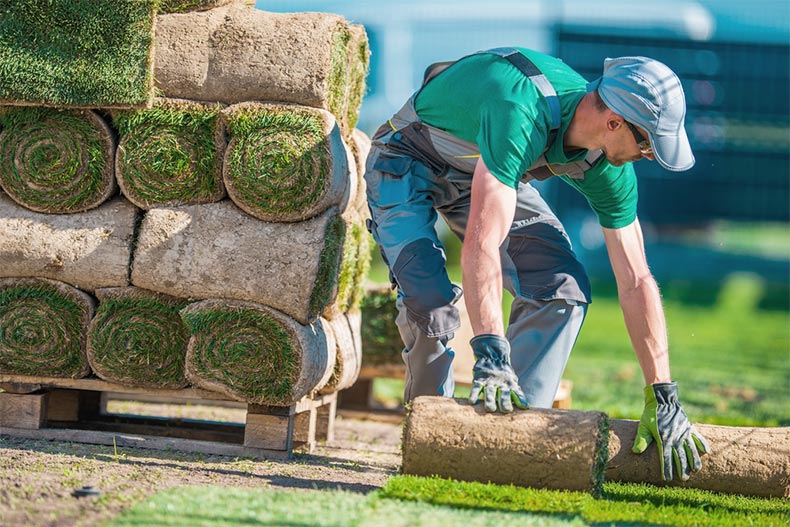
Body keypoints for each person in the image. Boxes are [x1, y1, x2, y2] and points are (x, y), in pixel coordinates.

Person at [363, 47, 710, 482]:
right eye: (646, 142)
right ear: (614, 121)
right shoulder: (520, 110)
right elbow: (482, 243)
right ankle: (433, 445)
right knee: (431, 305)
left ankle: (503, 444)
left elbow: (637, 277)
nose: (647, 155)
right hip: (405, 160)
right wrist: (489, 349)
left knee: (561, 289)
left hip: (487, 172)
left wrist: (663, 394)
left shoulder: (608, 166)